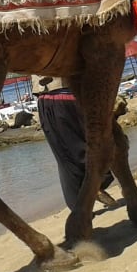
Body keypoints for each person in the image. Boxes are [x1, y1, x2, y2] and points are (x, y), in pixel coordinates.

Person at [31, 75, 116, 210]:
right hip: (65, 95)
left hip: (44, 100)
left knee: (65, 160)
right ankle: (92, 187)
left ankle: (78, 208)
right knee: (87, 149)